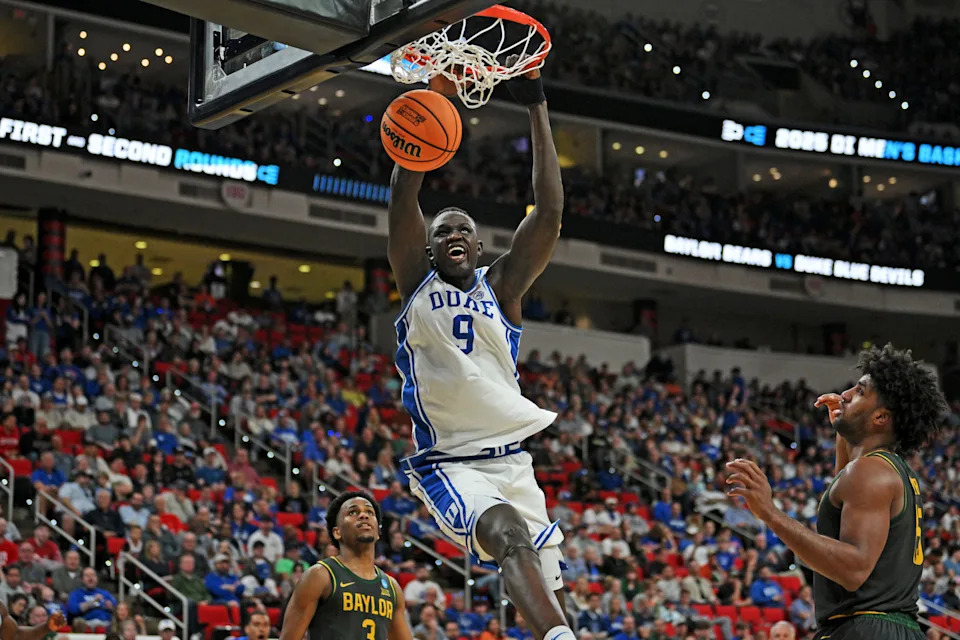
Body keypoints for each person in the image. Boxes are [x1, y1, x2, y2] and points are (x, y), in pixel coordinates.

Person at [386, 62, 571, 640]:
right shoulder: (417, 281)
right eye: (442, 231)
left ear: (480, 244)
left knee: (546, 591)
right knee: (509, 538)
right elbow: (404, 188)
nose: (453, 235)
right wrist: (438, 92)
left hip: (514, 461)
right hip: (453, 461)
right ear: (430, 246)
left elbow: (550, 211)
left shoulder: (504, 288)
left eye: (463, 228)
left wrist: (536, 103)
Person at [726, 344, 948, 640]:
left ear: (881, 417)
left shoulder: (870, 472)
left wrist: (769, 512)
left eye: (859, 392)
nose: (844, 394)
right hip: (891, 628)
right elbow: (841, 512)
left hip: (866, 630)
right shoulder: (889, 470)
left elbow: (853, 570)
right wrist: (844, 434)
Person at [278, 491, 412, 640]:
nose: (363, 515)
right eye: (353, 512)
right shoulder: (320, 575)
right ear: (337, 532)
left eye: (369, 512)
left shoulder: (392, 588)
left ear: (378, 533)